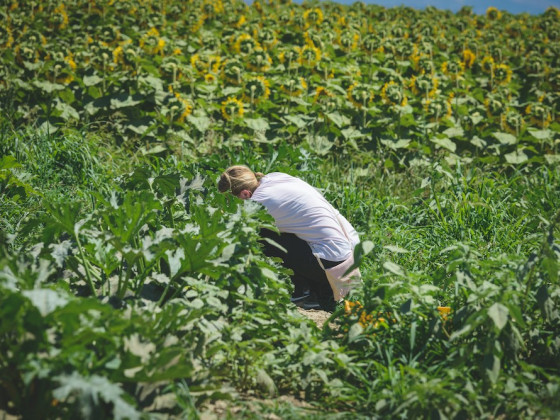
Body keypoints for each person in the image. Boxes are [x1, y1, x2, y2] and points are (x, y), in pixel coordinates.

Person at [218, 165, 360, 312]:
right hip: (351, 254)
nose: (231, 206)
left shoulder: (260, 203)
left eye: (232, 201)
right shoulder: (274, 177)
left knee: (260, 236)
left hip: (335, 266)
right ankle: (319, 288)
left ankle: (303, 293)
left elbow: (234, 233)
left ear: (246, 194)